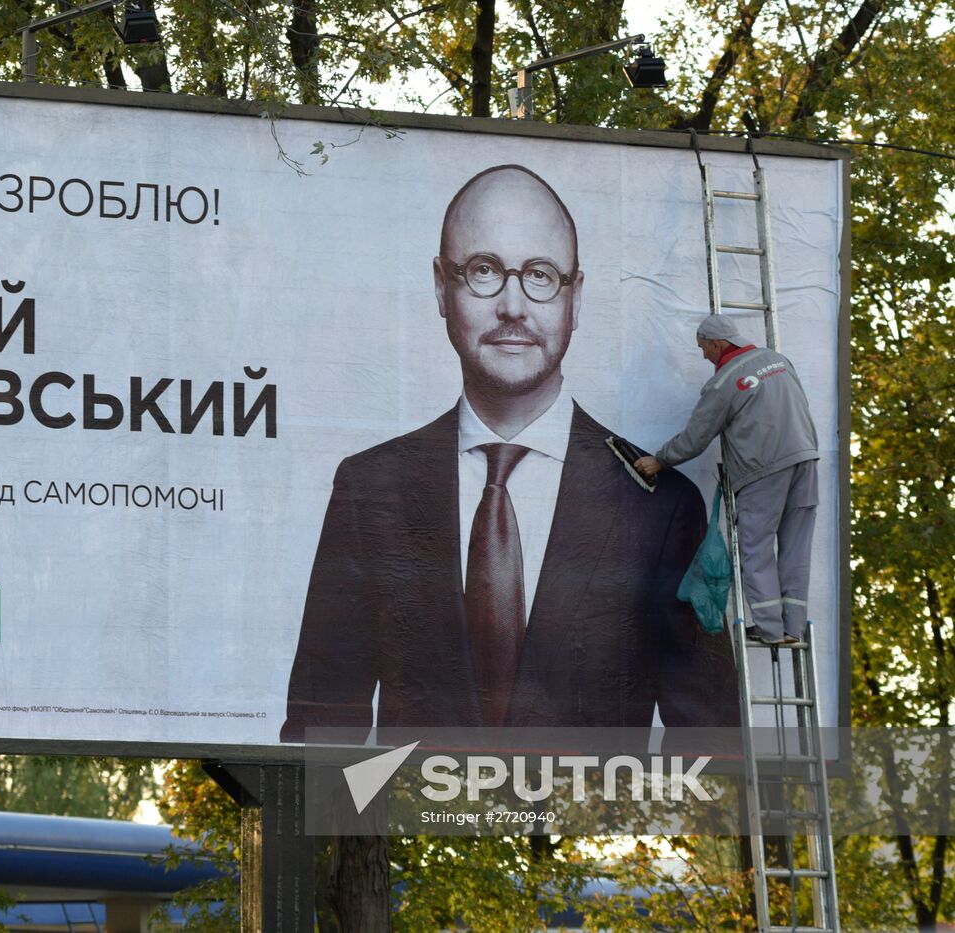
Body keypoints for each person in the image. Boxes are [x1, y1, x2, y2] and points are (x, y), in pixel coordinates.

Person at [280, 164, 738, 743]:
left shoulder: (661, 505)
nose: (514, 306)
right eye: (483, 271)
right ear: (442, 288)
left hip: (592, 829)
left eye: (542, 275)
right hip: (416, 822)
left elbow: (709, 734)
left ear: (576, 298)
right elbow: (321, 719)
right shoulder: (369, 487)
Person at [634, 315, 819, 647]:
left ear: (717, 344)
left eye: (703, 348)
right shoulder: (778, 361)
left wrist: (660, 460)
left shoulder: (724, 383)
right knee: (796, 547)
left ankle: (770, 630)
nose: (704, 355)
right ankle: (793, 628)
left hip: (763, 468)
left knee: (756, 549)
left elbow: (696, 438)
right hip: (805, 459)